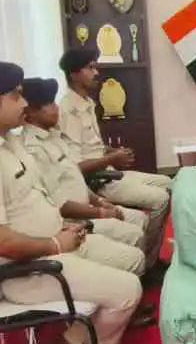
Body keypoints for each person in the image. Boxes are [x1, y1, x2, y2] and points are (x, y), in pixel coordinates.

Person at [0, 62, 144, 344]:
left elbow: (40, 199)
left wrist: (63, 228)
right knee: (128, 290)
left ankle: (75, 340)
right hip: (29, 269)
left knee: (131, 259)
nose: (25, 103)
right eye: (16, 95)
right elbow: (3, 240)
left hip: (58, 242)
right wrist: (55, 244)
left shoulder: (11, 144)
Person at [57, 48, 170, 271]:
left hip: (108, 170)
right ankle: (149, 263)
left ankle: (148, 255)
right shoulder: (68, 111)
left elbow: (92, 147)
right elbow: (76, 166)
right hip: (98, 181)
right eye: (90, 68)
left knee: (168, 183)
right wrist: (112, 158)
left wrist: (113, 151)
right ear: (74, 74)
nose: (96, 72)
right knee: (161, 199)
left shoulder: (87, 103)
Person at [21, 77, 148, 250]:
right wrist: (101, 213)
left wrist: (99, 201)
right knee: (134, 235)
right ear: (30, 112)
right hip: (72, 221)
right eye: (49, 104)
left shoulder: (54, 137)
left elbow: (75, 177)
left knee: (140, 219)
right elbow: (59, 205)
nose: (56, 108)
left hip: (88, 206)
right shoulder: (34, 149)